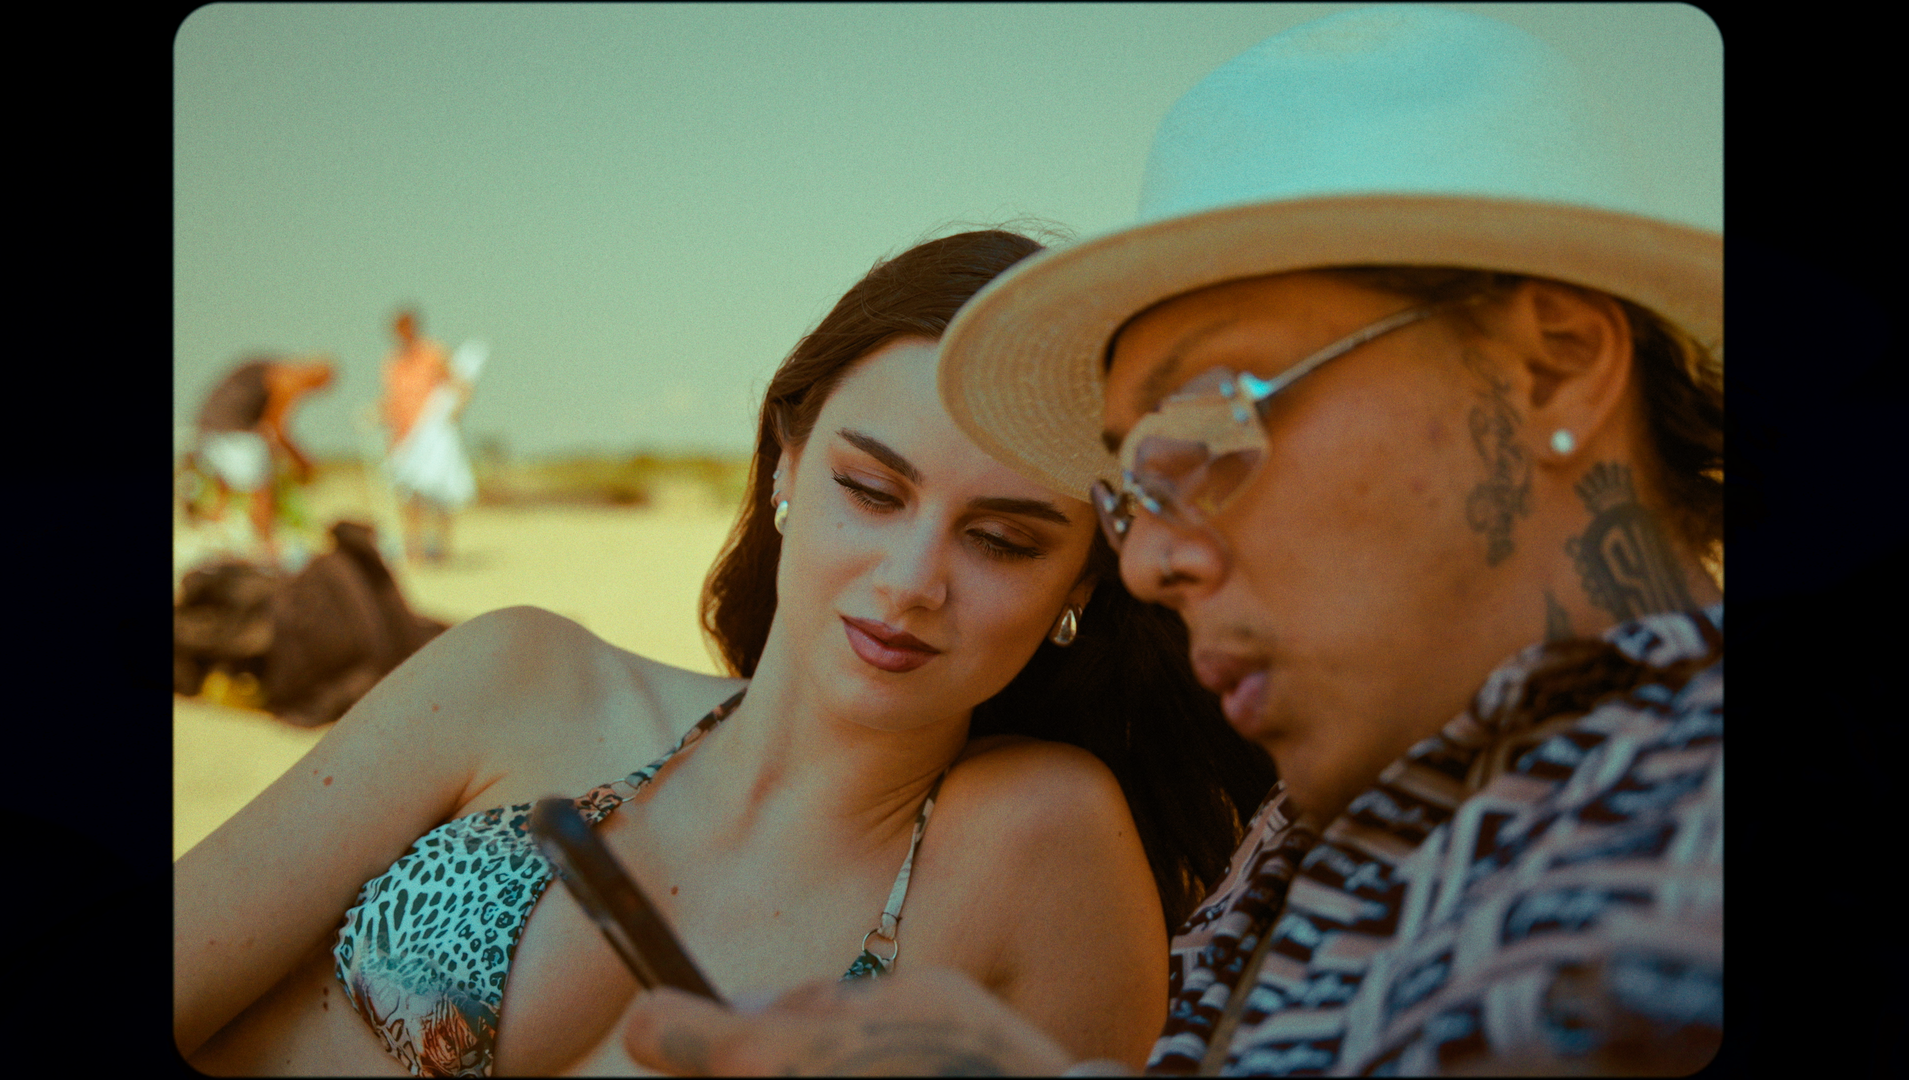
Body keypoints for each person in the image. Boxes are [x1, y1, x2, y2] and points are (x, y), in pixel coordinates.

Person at [619, 6, 1723, 1076]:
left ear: (1555, 364)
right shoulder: (1352, 815)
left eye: (1207, 431)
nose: (1147, 563)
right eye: (1134, 484)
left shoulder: (1683, 868)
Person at [174, 229, 1276, 1076]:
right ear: (788, 465)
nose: (909, 580)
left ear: (1082, 579)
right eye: (871, 489)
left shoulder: (1040, 842)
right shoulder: (519, 681)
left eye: (1001, 540)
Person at [188, 354, 336, 559]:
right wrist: (301, 460)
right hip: (233, 431)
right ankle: (266, 548)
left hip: (206, 426)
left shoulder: (270, 367)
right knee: (262, 490)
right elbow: (275, 428)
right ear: (314, 377)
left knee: (225, 488)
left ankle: (213, 536)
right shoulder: (289, 381)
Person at [380, 308, 482, 562]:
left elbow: (462, 385)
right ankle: (414, 550)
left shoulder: (433, 352)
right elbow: (391, 401)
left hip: (432, 436)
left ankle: (443, 550)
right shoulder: (392, 362)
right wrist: (377, 415)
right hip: (403, 438)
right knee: (408, 496)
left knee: (440, 493)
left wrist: (456, 411)